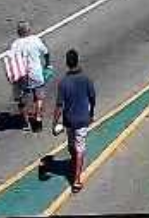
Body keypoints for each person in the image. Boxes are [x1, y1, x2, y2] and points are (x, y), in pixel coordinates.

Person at [53, 49, 95, 193]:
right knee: (79, 148)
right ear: (77, 61)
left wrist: (54, 123)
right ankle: (76, 178)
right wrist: (91, 114)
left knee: (72, 146)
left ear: (67, 63)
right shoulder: (86, 79)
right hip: (83, 119)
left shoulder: (63, 83)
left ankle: (75, 170)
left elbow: (59, 105)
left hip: (69, 120)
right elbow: (92, 98)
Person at [9, 21, 49, 131]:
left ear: (18, 32)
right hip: (36, 73)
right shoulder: (35, 40)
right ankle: (38, 118)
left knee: (22, 99)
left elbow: (12, 60)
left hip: (23, 75)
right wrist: (47, 64)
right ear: (29, 30)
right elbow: (45, 52)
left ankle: (25, 123)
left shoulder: (15, 44)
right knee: (38, 97)